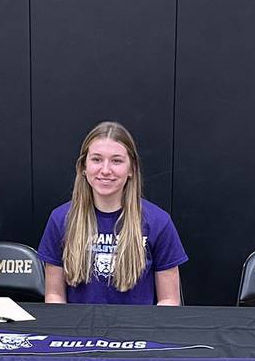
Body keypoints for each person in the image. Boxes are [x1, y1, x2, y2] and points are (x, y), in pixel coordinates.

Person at [39, 122, 186, 305]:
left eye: (116, 160)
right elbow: (54, 296)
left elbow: (169, 300)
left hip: (136, 332)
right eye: (97, 159)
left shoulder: (158, 222)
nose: (106, 170)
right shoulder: (60, 219)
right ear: (84, 167)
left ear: (131, 169)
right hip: (78, 332)